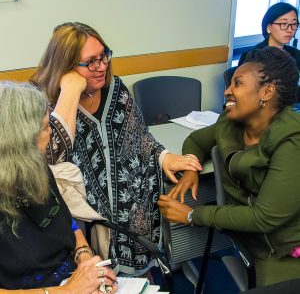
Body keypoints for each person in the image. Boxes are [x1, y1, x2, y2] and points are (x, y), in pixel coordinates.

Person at [30, 22, 201, 275]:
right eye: (90, 62)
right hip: (79, 225)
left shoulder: (116, 89)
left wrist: (164, 157)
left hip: (130, 213)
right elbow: (50, 157)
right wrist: (70, 91)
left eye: (104, 56)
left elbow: (140, 137)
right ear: (65, 67)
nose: (101, 66)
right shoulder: (40, 101)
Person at [158, 46, 300, 286]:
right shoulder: (230, 122)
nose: (227, 91)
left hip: (284, 248)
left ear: (266, 92)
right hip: (253, 237)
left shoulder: (292, 142)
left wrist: (193, 214)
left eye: (238, 84)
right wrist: (190, 168)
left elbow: (263, 217)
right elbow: (196, 140)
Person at [0, 81, 117, 293]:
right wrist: (67, 291)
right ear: (20, 140)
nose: (51, 133)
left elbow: (67, 221)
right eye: (46, 127)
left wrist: (85, 257)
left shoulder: (35, 168)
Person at [238, 2, 300, 70]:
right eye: (284, 24)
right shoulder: (251, 56)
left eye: (294, 24)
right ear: (268, 27)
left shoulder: (296, 54)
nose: (290, 30)